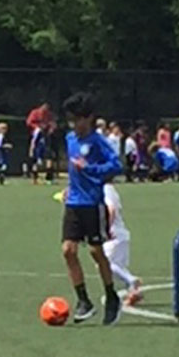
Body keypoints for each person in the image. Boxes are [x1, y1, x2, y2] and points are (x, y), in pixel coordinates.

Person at [61, 92, 122, 326]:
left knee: (96, 252)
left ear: (88, 119)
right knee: (68, 250)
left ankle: (112, 296)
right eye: (71, 120)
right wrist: (69, 186)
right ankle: (84, 301)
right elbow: (73, 168)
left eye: (78, 120)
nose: (74, 125)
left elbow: (115, 166)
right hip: (73, 203)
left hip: (92, 203)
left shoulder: (98, 142)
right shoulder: (70, 139)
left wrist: (90, 168)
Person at [103, 183, 142, 307]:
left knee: (103, 265)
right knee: (118, 268)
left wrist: (107, 229)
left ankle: (132, 281)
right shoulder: (109, 189)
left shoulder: (105, 189)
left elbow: (111, 209)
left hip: (114, 235)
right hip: (121, 235)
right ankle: (133, 292)